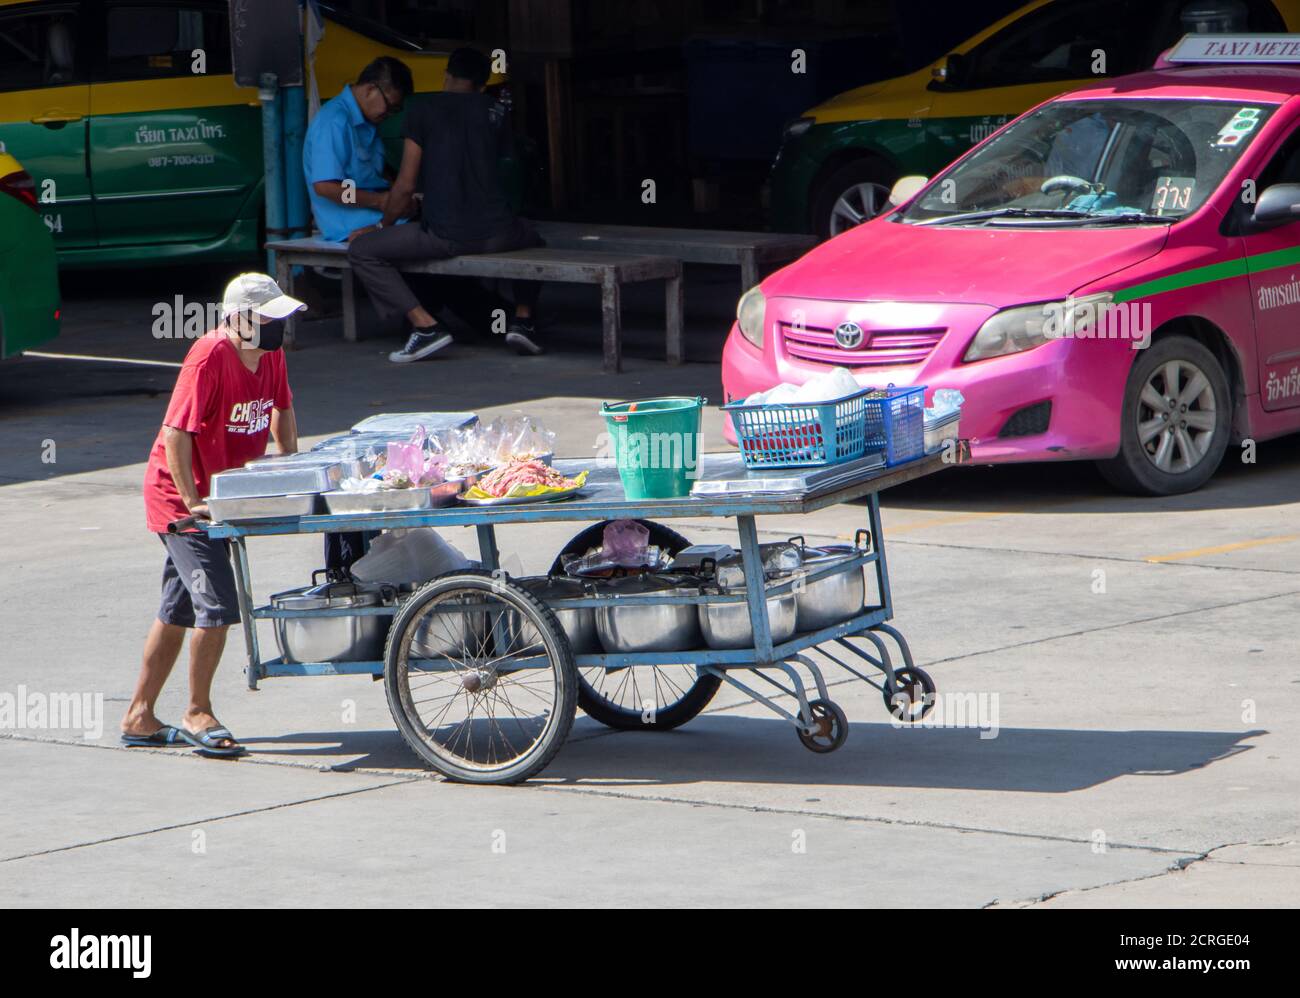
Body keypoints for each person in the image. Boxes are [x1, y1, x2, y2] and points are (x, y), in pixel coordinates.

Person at [123, 274, 305, 758]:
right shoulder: (208, 356)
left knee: (178, 608)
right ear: (241, 320)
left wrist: (290, 465)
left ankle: (139, 716)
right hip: (182, 501)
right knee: (218, 605)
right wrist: (190, 504)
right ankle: (197, 712)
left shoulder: (271, 355)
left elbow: (281, 409)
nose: (279, 327)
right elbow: (176, 434)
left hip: (226, 495)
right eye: (270, 318)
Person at [347, 46, 545, 362]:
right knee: (534, 238)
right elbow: (502, 170)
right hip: (500, 233)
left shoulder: (423, 109)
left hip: (446, 236)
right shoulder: (497, 112)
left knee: (362, 251)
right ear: (482, 85)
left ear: (446, 77)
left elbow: (406, 185)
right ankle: (523, 320)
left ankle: (425, 326)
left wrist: (380, 226)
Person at [304, 56, 414, 242]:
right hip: (353, 223)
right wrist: (378, 201)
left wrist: (396, 197)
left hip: (376, 212)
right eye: (389, 107)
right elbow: (327, 187)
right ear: (371, 89)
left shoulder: (367, 122)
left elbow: (371, 175)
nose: (389, 115)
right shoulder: (334, 121)